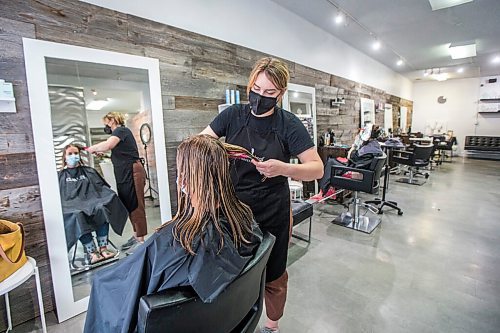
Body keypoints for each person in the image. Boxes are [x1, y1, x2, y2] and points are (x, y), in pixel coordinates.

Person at [83, 135, 263, 333]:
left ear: (187, 177)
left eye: (181, 170)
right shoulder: (243, 216)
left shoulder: (174, 241)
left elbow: (120, 291)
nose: (179, 177)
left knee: (102, 283)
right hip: (226, 321)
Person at [201, 57, 323, 332]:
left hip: (273, 210)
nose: (260, 97)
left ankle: (271, 325)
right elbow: (202, 141)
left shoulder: (288, 125)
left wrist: (283, 168)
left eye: (269, 93)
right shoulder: (233, 115)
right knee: (232, 270)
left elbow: (316, 169)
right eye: (256, 89)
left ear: (281, 93)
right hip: (233, 209)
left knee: (274, 275)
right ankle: (236, 318)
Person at [86, 112, 147, 250]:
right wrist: (106, 153)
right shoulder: (120, 135)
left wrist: (92, 148)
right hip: (124, 173)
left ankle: (141, 241)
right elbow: (116, 151)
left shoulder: (121, 130)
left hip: (132, 171)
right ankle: (136, 235)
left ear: (112, 120)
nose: (105, 126)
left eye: (106, 122)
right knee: (130, 204)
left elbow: (108, 145)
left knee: (136, 204)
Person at [58, 144, 128, 265]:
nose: (73, 156)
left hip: (93, 201)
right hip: (72, 206)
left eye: (75, 153)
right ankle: (92, 252)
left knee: (102, 208)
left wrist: (109, 196)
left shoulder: (89, 171)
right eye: (70, 154)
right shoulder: (60, 176)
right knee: (77, 215)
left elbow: (102, 189)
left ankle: (103, 248)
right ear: (64, 157)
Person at [315, 124, 384, 199]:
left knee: (331, 163)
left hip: (359, 173)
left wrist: (354, 145)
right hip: (366, 174)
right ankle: (327, 189)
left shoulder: (367, 149)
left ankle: (323, 192)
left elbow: (350, 157)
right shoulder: (375, 146)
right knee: (334, 162)